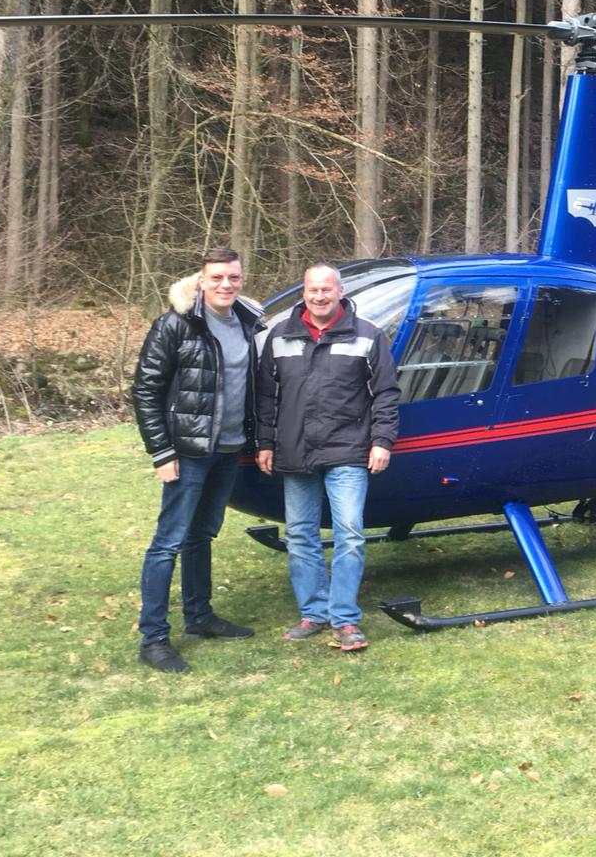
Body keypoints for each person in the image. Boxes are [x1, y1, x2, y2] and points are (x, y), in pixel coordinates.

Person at [131, 246, 262, 673]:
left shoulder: (248, 323)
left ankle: (199, 616)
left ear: (242, 280)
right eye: (217, 277)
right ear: (201, 280)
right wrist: (161, 451)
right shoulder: (175, 325)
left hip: (229, 449)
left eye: (233, 277)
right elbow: (146, 390)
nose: (226, 284)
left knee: (201, 534)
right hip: (186, 453)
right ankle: (153, 639)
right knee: (167, 542)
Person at [256, 264, 399, 652]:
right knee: (300, 534)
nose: (319, 296)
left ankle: (345, 618)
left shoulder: (368, 335)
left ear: (340, 292)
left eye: (326, 289)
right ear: (304, 292)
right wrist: (265, 442)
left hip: (348, 450)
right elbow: (265, 395)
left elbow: (386, 393)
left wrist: (382, 441)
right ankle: (313, 613)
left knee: (349, 533)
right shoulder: (279, 336)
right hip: (294, 450)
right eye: (313, 289)